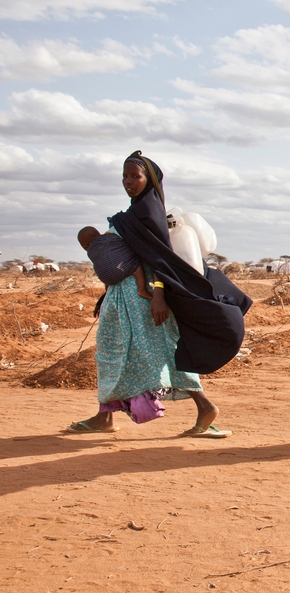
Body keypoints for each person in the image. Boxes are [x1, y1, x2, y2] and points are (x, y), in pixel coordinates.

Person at [66, 151, 251, 437]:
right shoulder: (131, 215)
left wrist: (158, 296)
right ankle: (105, 416)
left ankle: (205, 406)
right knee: (111, 353)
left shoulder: (148, 213)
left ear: (149, 180)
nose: (128, 182)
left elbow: (158, 261)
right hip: (120, 298)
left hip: (143, 300)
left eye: (135, 176)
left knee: (160, 354)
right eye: (125, 176)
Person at [78, 226, 152, 300]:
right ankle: (142, 290)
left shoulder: (90, 252)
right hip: (123, 268)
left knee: (106, 271)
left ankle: (107, 292)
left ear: (85, 247)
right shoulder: (110, 237)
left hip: (106, 278)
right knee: (137, 268)